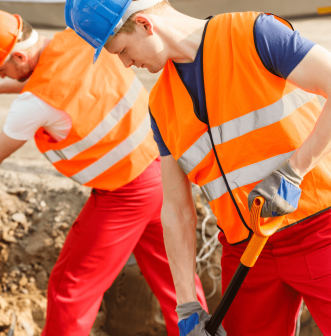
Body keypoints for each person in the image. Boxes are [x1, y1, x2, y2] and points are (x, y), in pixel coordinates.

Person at [0, 10, 207, 336]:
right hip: (164, 171)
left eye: (1, 68)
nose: (1, 74)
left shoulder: (34, 103)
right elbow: (51, 75)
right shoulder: (78, 39)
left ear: (18, 55)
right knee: (178, 279)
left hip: (126, 191)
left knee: (70, 286)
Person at [65, 1, 331, 335]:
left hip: (320, 230)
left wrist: (294, 171)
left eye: (122, 50)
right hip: (247, 252)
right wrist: (187, 304)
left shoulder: (253, 33)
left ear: (146, 25)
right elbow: (176, 211)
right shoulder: (161, 104)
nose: (126, 63)